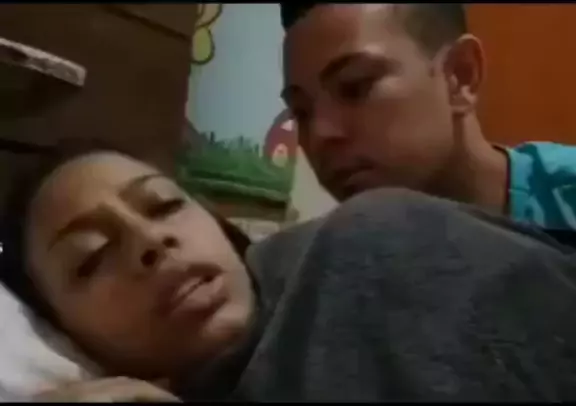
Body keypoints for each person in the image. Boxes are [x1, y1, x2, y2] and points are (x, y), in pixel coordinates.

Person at [3, 140, 576, 401]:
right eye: (92, 256)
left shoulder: (370, 236)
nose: (151, 242)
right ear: (67, 337)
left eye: (163, 204)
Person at [280, 3, 576, 234]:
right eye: (301, 112)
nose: (320, 134)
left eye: (355, 86)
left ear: (460, 76)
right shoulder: (331, 263)